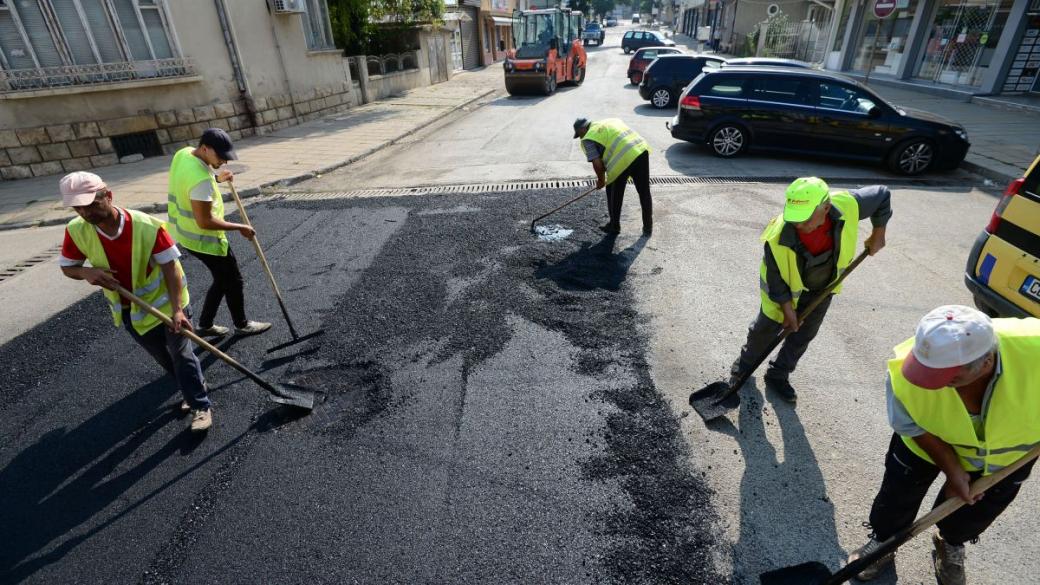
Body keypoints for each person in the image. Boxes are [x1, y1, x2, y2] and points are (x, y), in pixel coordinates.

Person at [848, 306, 1040, 585]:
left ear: (985, 363)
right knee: (898, 494)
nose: (927, 383)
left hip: (1007, 456)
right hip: (926, 440)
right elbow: (908, 424)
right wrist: (952, 469)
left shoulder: (1033, 346)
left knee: (975, 509)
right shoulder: (907, 370)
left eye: (946, 379)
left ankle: (950, 542)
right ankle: (884, 542)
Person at [57, 172, 213, 432]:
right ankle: (191, 385)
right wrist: (86, 272)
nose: (85, 213)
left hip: (167, 301)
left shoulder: (146, 226)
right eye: (78, 208)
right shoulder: (76, 230)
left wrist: (177, 310)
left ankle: (200, 404)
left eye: (91, 205)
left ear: (108, 195)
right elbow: (68, 267)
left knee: (181, 353)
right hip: (129, 308)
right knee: (164, 357)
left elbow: (171, 268)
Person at [729, 177, 890, 403]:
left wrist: (878, 233)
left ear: (825, 208)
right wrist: (787, 310)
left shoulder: (846, 205)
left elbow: (882, 194)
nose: (798, 226)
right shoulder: (778, 235)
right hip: (784, 290)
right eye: (794, 219)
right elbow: (775, 279)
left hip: (823, 288)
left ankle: (779, 374)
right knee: (763, 330)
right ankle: (743, 367)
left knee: (803, 335)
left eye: (804, 220)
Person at [167, 128, 270, 338]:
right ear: (205, 148)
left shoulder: (184, 154)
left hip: (184, 234)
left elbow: (190, 185)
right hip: (204, 239)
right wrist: (241, 227)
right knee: (233, 280)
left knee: (222, 279)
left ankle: (205, 324)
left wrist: (218, 180)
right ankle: (242, 324)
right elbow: (205, 221)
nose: (224, 161)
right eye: (221, 157)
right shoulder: (201, 180)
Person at [573, 117, 653, 235]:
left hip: (622, 159)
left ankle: (614, 226)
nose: (580, 137)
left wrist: (601, 180)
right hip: (640, 150)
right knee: (644, 191)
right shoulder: (609, 122)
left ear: (582, 129)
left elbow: (597, 163)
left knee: (613, 192)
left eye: (579, 134)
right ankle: (648, 227)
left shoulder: (588, 137)